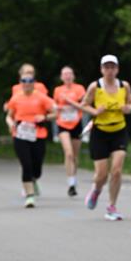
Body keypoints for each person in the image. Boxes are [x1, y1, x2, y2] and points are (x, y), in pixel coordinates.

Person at [81, 55, 131, 220]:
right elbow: (84, 105)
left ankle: (111, 206)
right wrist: (95, 111)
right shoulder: (95, 87)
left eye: (113, 67)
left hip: (119, 131)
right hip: (100, 132)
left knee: (117, 170)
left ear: (117, 69)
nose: (110, 70)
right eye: (106, 67)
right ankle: (96, 190)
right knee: (101, 175)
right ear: (101, 69)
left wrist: (128, 108)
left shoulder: (124, 86)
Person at [5, 76, 56, 208]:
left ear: (34, 83)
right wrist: (11, 124)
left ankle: (34, 179)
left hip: (38, 135)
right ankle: (29, 196)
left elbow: (55, 113)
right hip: (20, 135)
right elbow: (9, 116)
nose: (27, 84)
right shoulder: (16, 98)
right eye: (24, 81)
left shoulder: (41, 97)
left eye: (30, 81)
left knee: (37, 167)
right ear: (20, 83)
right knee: (26, 164)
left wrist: (44, 117)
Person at [53, 66, 86, 196]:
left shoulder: (79, 89)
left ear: (73, 76)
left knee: (75, 156)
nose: (67, 76)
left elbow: (83, 104)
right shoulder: (57, 90)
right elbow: (54, 107)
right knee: (69, 153)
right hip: (62, 124)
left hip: (76, 123)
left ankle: (73, 177)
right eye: (65, 74)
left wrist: (70, 102)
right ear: (61, 77)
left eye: (69, 74)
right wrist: (60, 108)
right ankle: (71, 183)